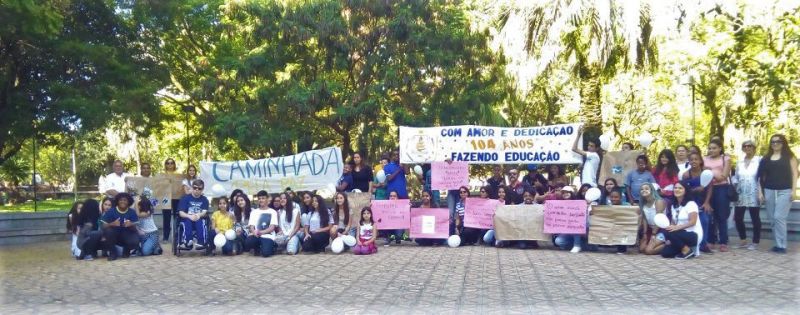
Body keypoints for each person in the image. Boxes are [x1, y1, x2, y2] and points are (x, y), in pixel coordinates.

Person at [757, 134, 798, 254]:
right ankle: (777, 244)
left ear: (783, 143)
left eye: (778, 141)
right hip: (769, 190)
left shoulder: (790, 157)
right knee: (772, 219)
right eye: (773, 142)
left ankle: (782, 245)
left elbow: (795, 174)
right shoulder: (766, 158)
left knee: (779, 217)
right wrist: (760, 192)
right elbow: (760, 177)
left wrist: (793, 190)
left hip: (785, 191)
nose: (775, 144)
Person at [703, 139, 733, 252]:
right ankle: (710, 240)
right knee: (709, 214)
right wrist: (711, 173)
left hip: (721, 188)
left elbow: (723, 176)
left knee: (721, 215)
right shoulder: (705, 159)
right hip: (708, 188)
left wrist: (710, 172)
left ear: (720, 148)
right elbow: (702, 173)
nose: (712, 150)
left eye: (714, 148)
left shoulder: (726, 158)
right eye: (710, 148)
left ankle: (723, 241)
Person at [661, 181, 703, 259]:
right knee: (665, 253)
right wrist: (669, 237)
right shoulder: (674, 205)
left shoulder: (691, 204)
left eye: (680, 188)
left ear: (685, 191)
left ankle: (687, 250)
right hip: (680, 234)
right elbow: (673, 223)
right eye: (675, 188)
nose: (677, 190)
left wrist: (676, 228)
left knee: (669, 231)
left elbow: (693, 222)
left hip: (693, 234)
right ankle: (684, 249)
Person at [733, 140, 762, 250]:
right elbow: (736, 176)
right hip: (741, 192)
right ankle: (743, 240)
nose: (747, 147)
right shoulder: (739, 162)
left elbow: (761, 177)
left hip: (754, 191)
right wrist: (735, 186)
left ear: (754, 148)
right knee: (738, 217)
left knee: (755, 218)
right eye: (744, 146)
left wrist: (760, 192)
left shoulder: (759, 160)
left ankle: (755, 242)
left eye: (749, 146)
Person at [682, 152, 713, 253]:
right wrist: (695, 190)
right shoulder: (686, 175)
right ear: (689, 161)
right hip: (691, 201)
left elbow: (709, 188)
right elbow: (684, 190)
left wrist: (707, 202)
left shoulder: (706, 172)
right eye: (691, 159)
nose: (694, 161)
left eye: (696, 159)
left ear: (700, 161)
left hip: (702, 200)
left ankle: (704, 244)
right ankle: (693, 244)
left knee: (705, 220)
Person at [100, 193, 140, 261]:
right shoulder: (111, 211)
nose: (123, 201)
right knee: (108, 231)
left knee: (135, 240)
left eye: (125, 200)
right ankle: (113, 253)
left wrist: (131, 225)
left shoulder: (132, 212)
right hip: (114, 236)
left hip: (126, 235)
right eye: (121, 200)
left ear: (128, 202)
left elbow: (135, 229)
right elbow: (103, 226)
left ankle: (126, 250)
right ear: (117, 201)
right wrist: (111, 224)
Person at [178, 179, 210, 250]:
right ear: (192, 187)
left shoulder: (204, 200)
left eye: (199, 188)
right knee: (187, 221)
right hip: (187, 218)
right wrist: (189, 216)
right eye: (195, 188)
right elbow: (181, 213)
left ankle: (201, 242)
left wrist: (198, 215)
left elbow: (204, 212)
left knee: (200, 221)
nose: (197, 190)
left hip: (199, 218)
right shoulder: (185, 198)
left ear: (202, 189)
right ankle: (188, 241)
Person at [245, 190, 278, 257]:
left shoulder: (273, 212)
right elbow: (251, 226)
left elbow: (272, 228)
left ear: (267, 199)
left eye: (263, 198)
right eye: (259, 199)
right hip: (256, 235)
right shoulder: (254, 212)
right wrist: (254, 232)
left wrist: (261, 232)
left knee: (266, 253)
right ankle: (257, 248)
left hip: (268, 236)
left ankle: (271, 246)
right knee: (248, 242)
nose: (261, 200)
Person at [638, 183, 666, 255]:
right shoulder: (643, 203)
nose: (644, 190)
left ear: (652, 190)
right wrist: (645, 233)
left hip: (661, 229)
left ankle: (668, 245)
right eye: (642, 189)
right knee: (641, 249)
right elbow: (644, 219)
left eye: (647, 189)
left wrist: (653, 234)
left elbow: (659, 218)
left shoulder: (658, 201)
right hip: (650, 228)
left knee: (648, 251)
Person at [162, 158, 179, 243]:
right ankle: (165, 237)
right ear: (165, 165)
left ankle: (177, 235)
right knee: (166, 217)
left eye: (171, 163)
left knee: (177, 216)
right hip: (165, 198)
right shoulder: (162, 175)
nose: (170, 165)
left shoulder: (178, 175)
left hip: (176, 197)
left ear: (174, 164)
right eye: (168, 163)